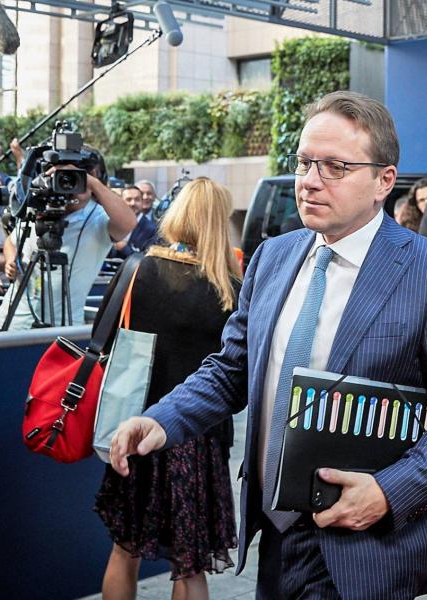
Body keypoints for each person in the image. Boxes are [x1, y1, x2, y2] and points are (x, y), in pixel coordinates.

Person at [108, 91, 427, 599]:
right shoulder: (272, 257)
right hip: (275, 532)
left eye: (335, 167)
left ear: (384, 181)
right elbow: (232, 368)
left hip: (368, 550)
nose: (310, 180)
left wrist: (388, 492)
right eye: (305, 162)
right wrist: (162, 419)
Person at [94, 177, 241, 600]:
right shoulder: (230, 290)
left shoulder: (137, 270)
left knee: (124, 549)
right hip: (198, 437)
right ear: (218, 222)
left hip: (135, 426)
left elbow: (104, 337)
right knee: (188, 566)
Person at [0, 147, 136, 329]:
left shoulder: (100, 218)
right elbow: (11, 241)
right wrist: (11, 260)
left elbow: (129, 222)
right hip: (13, 322)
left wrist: (91, 182)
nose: (68, 184)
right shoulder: (37, 208)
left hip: (62, 329)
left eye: (76, 177)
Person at [109, 185, 159, 258]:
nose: (133, 203)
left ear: (142, 202)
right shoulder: (112, 223)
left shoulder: (152, 230)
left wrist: (124, 248)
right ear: (121, 202)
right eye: (128, 199)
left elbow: (147, 260)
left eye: (137, 200)